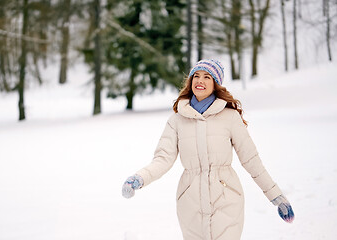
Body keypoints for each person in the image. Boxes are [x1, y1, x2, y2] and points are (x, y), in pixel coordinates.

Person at [121, 59, 294, 240]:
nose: (200, 81)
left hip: (227, 198)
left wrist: (277, 197)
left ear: (215, 84)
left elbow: (251, 161)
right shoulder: (177, 120)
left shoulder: (230, 117)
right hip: (190, 202)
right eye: (196, 76)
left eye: (207, 77)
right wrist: (140, 178)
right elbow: (163, 159)